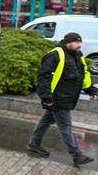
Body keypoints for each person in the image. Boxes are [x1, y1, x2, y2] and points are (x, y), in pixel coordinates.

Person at [26, 32, 97, 165]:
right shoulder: (55, 54)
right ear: (68, 42)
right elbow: (44, 77)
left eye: (80, 42)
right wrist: (46, 97)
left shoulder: (78, 56)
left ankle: (33, 145)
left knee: (45, 121)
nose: (79, 45)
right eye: (76, 42)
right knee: (65, 126)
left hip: (68, 97)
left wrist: (91, 90)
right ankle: (76, 155)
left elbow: (84, 75)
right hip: (57, 98)